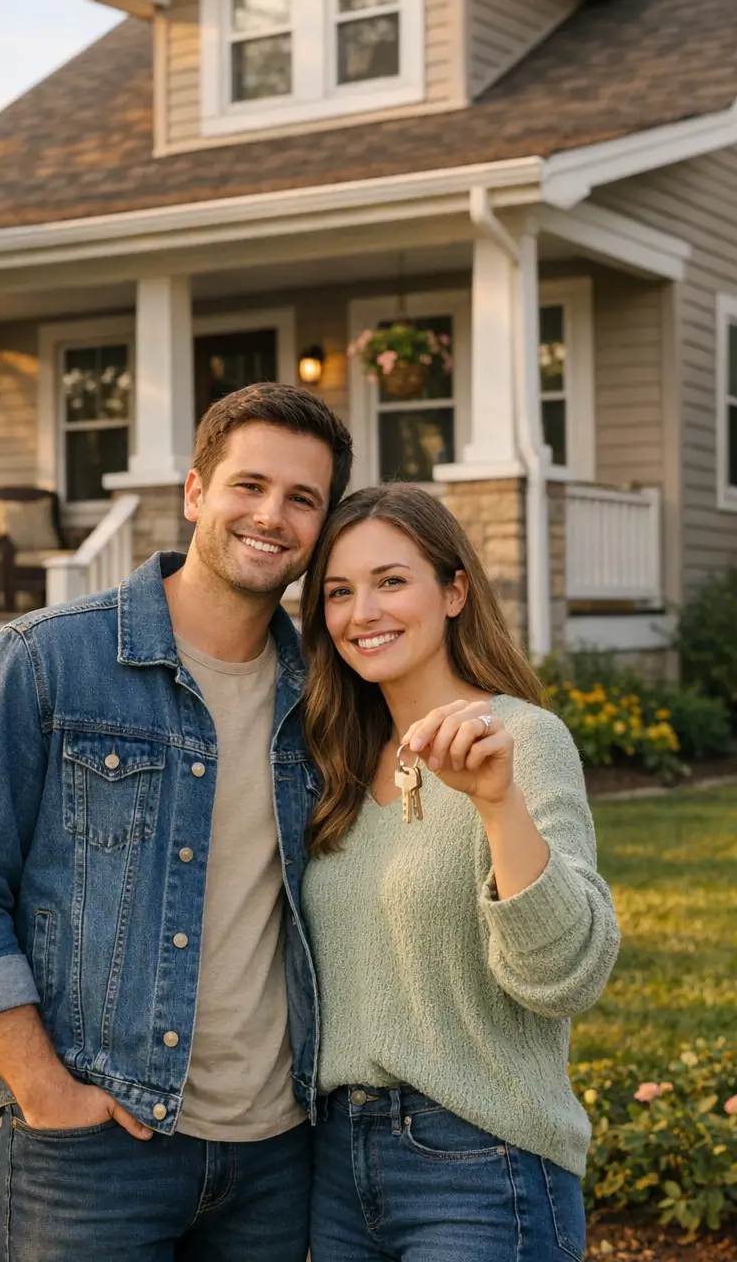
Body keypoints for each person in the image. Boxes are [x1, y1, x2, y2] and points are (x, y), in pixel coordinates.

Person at [0, 382, 353, 1262]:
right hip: (95, 1146)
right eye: (248, 485)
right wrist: (43, 1091)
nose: (272, 515)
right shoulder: (48, 660)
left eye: (303, 498)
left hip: (276, 1153)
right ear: (195, 493)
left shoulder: (330, 696)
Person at [300, 483, 620, 1262]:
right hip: (337, 1168)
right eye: (339, 592)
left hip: (482, 1162)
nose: (362, 612)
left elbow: (568, 974)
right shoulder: (332, 763)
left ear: (454, 590)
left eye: (391, 580)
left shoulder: (522, 740)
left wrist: (496, 803)